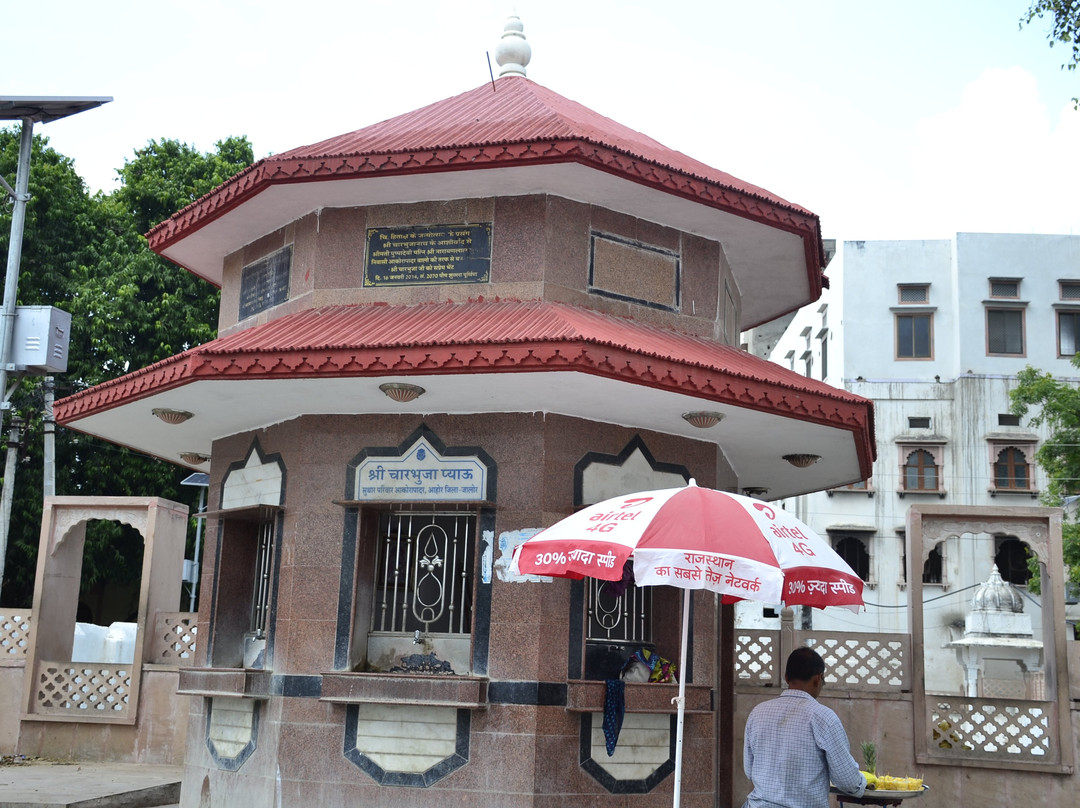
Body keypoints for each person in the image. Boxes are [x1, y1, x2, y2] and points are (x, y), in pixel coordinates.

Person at [743, 647, 868, 808]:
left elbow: (749, 770)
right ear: (818, 679)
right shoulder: (824, 717)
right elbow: (847, 781)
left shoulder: (757, 712)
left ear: (786, 677)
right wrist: (865, 781)